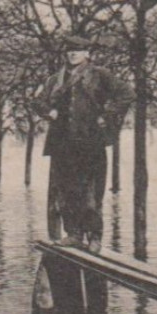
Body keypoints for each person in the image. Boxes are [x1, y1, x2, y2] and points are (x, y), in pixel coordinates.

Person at [41, 35, 127, 251]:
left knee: (92, 192)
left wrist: (106, 115)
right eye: (69, 50)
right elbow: (37, 101)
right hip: (63, 145)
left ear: (87, 54)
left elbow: (126, 94)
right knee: (68, 192)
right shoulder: (55, 79)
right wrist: (48, 111)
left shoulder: (100, 75)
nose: (72, 54)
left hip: (91, 142)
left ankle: (95, 237)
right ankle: (74, 234)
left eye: (78, 50)